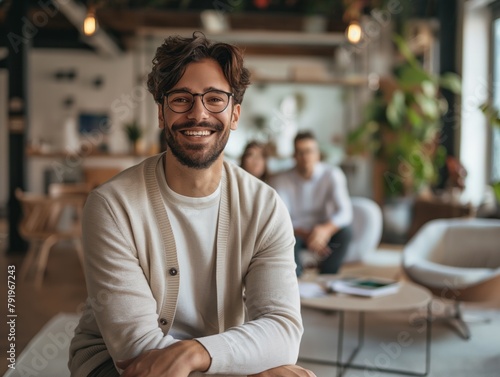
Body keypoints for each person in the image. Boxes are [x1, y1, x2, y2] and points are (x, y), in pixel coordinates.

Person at [68, 32, 316, 377]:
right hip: (117, 366)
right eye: (181, 99)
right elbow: (136, 348)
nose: (198, 114)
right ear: (161, 113)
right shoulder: (112, 205)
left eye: (215, 99)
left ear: (235, 114)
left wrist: (197, 353)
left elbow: (283, 328)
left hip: (211, 359)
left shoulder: (265, 206)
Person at [269, 131, 353, 277]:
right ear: (294, 156)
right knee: (284, 238)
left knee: (345, 233)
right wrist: (310, 235)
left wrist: (325, 230)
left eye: (309, 151)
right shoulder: (281, 180)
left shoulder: (332, 174)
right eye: (300, 152)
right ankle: (296, 280)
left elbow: (345, 212)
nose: (305, 157)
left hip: (323, 232)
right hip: (295, 233)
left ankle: (327, 276)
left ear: (318, 154)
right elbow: (281, 219)